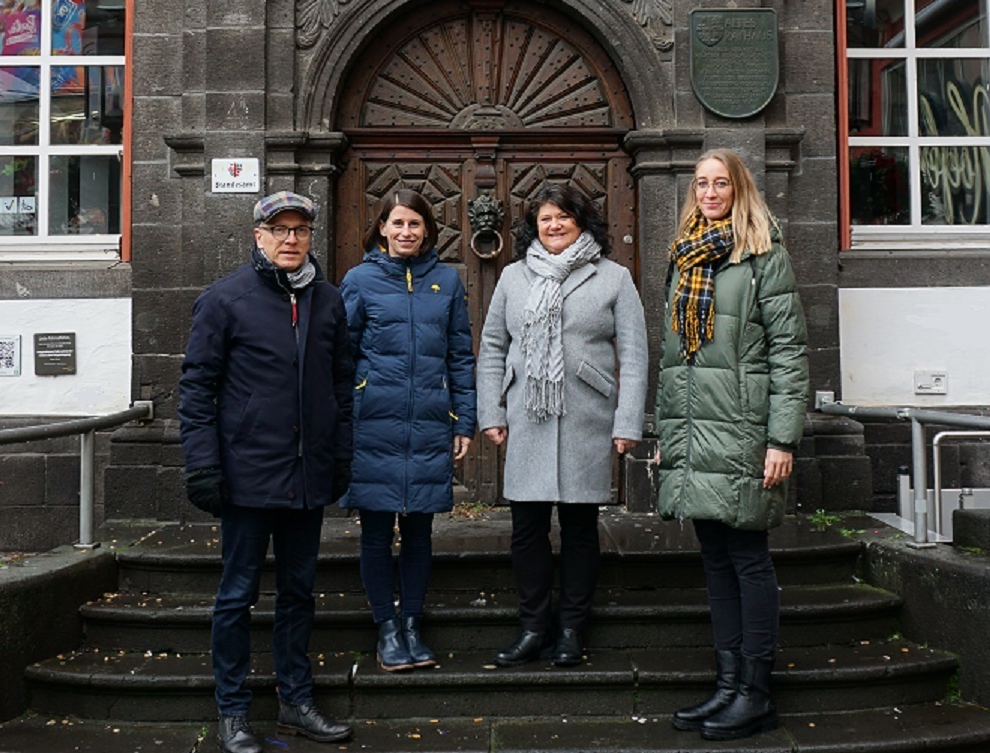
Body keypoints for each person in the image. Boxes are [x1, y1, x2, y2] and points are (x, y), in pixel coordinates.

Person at [178, 191, 355, 753]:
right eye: (279, 229)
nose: (290, 239)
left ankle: (295, 703)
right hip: (247, 475)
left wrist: (340, 453)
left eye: (300, 230)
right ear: (258, 235)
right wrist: (203, 465)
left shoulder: (328, 301)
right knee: (236, 597)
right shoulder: (224, 300)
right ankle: (232, 711)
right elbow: (197, 389)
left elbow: (340, 387)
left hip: (307, 476)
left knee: (299, 594)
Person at [654, 149, 809, 740]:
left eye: (721, 183)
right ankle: (726, 686)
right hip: (695, 431)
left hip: (745, 431)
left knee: (748, 560)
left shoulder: (764, 255)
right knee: (716, 562)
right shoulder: (684, 255)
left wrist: (782, 438)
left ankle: (756, 691)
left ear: (740, 188)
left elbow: (790, 351)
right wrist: (669, 435)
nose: (710, 192)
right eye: (701, 184)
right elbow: (676, 362)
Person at [476, 183, 648, 667]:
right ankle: (533, 628)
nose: (553, 226)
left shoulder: (613, 277)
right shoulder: (513, 277)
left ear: (581, 222)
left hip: (587, 416)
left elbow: (634, 356)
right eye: (544, 219)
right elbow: (491, 347)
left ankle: (571, 630)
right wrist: (491, 410)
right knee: (527, 529)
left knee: (579, 528)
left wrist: (628, 420)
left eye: (562, 217)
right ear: (534, 226)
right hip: (527, 413)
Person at [339, 188, 477, 671]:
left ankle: (413, 622)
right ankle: (386, 627)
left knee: (419, 530)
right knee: (376, 531)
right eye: (396, 224)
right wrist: (345, 415)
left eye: (414, 224)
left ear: (427, 230)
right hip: (373, 421)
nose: (405, 233)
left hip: (428, 424)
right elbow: (343, 355)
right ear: (381, 228)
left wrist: (464, 418)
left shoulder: (447, 282)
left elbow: (460, 354)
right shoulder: (359, 280)